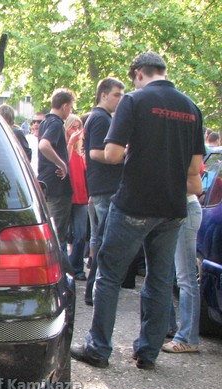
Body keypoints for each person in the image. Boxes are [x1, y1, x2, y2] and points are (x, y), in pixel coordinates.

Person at [71, 52, 205, 370]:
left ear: (137, 74)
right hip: (172, 207)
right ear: (163, 71)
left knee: (108, 276)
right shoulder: (191, 107)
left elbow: (113, 155)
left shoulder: (133, 101)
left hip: (134, 203)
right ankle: (148, 352)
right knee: (159, 280)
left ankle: (98, 348)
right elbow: (195, 168)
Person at [83, 77, 126, 305]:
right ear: (103, 95)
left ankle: (95, 290)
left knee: (102, 239)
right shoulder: (100, 118)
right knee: (105, 242)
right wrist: (123, 154)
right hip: (105, 188)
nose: (120, 99)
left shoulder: (101, 117)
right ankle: (95, 291)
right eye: (117, 94)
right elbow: (95, 153)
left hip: (103, 187)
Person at [163, 190, 202, 353]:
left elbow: (196, 187)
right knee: (167, 275)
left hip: (185, 210)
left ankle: (187, 339)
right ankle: (171, 327)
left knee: (186, 279)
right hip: (173, 212)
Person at [38, 88, 76, 248]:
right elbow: (44, 145)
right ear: (65, 106)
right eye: (71, 107)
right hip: (57, 185)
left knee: (51, 233)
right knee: (57, 237)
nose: (71, 111)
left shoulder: (44, 122)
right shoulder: (55, 123)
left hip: (47, 183)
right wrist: (61, 164)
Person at [65, 113, 88, 280]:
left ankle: (76, 268)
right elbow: (63, 163)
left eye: (79, 126)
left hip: (82, 197)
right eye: (73, 126)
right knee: (64, 235)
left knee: (81, 234)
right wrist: (71, 142)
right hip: (66, 196)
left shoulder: (81, 150)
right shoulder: (65, 146)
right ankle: (67, 268)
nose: (77, 130)